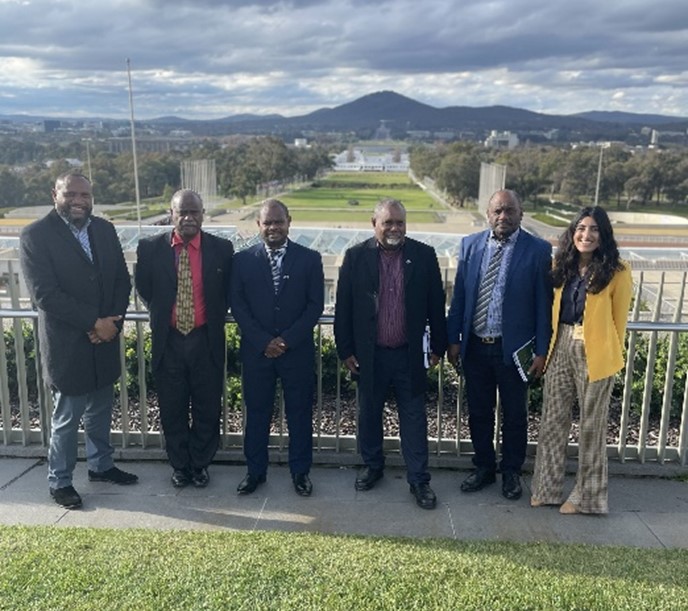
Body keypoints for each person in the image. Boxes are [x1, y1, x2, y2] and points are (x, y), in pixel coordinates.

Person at [19, 172, 137, 510]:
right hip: (68, 345)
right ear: (54, 193)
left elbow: (120, 281)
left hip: (105, 340)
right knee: (67, 418)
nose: (79, 201)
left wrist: (111, 323)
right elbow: (45, 295)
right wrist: (92, 323)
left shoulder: (104, 229)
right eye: (70, 194)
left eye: (84, 194)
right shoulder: (35, 235)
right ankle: (60, 481)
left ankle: (101, 466)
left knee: (101, 409)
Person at [334, 198, 447, 510]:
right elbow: (343, 307)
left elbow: (436, 305)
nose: (395, 228)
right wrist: (345, 350)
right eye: (388, 223)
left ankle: (419, 480)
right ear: (375, 224)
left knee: (414, 419)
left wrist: (438, 347)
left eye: (400, 222)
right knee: (368, 416)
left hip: (408, 356)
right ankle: (373, 467)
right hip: (370, 356)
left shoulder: (424, 256)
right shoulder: (356, 256)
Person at [447, 189, 552, 501]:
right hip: (476, 347)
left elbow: (543, 306)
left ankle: (510, 472)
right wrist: (453, 340)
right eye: (497, 211)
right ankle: (483, 468)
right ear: (487, 214)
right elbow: (460, 299)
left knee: (515, 416)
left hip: (513, 351)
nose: (503, 217)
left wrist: (542, 350)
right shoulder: (470, 245)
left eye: (509, 211)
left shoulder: (538, 250)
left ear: (520, 213)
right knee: (478, 412)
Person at [531, 206, 632, 515]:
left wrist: (608, 356)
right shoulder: (561, 265)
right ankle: (546, 489)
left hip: (597, 353)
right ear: (572, 233)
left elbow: (619, 322)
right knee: (553, 420)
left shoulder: (618, 271)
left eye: (594, 230)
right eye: (581, 229)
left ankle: (586, 497)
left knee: (591, 426)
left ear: (603, 236)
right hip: (560, 344)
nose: (586, 235)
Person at [135, 189, 233, 489]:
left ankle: (200, 465)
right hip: (170, 341)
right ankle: (179, 466)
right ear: (172, 214)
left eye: (195, 212)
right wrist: (167, 314)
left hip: (206, 340)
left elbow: (227, 291)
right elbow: (144, 288)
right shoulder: (150, 248)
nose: (189, 218)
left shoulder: (222, 249)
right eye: (182, 212)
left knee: (207, 407)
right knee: (172, 408)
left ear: (203, 214)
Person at [231, 199, 324, 496]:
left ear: (289, 222)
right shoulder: (242, 260)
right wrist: (263, 341)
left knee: (299, 415)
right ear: (258, 225)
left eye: (278, 221)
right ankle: (255, 472)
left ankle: (300, 473)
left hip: (295, 353)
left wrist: (285, 340)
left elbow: (315, 306)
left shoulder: (310, 259)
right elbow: (238, 306)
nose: (273, 227)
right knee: (257, 414)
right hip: (257, 353)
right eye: (267, 222)